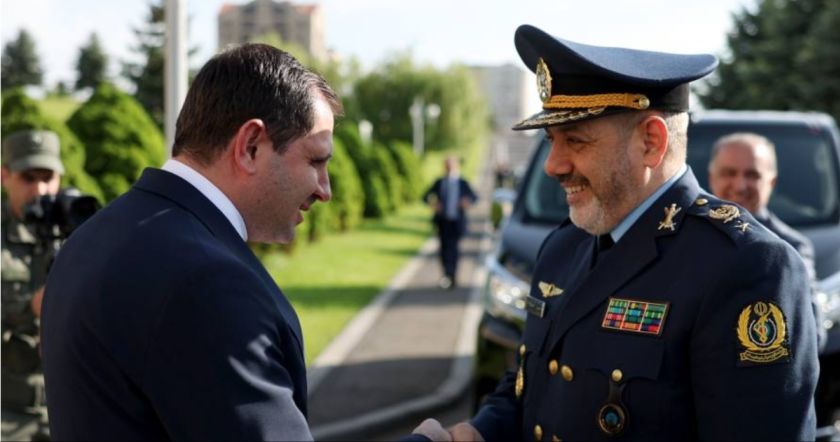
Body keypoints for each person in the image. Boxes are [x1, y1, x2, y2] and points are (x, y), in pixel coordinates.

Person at [412, 24, 818, 441]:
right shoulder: (563, 247)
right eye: (551, 140)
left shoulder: (747, 266)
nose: (553, 165)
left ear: (651, 142)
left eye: (575, 141)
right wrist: (477, 433)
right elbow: (529, 392)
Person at [40, 44, 342, 440]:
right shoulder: (209, 283)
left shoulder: (92, 236)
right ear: (250, 145)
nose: (325, 190)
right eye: (316, 161)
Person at [708, 132, 825, 350]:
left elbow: (811, 334)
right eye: (729, 173)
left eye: (752, 175)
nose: (740, 185)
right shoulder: (685, 235)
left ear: (771, 182)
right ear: (711, 178)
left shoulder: (791, 247)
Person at [1, 129, 65, 442]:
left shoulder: (78, 232)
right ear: (5, 176)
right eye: (28, 177)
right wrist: (30, 308)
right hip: (8, 415)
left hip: (70, 409)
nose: (40, 189)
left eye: (47, 177)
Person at [423, 155, 477, 289]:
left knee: (454, 249)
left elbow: (474, 197)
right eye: (447, 166)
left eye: (451, 165)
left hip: (457, 221)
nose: (449, 168)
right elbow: (425, 196)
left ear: (456, 166)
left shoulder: (462, 182)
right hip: (443, 221)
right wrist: (434, 204)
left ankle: (452, 275)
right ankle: (446, 274)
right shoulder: (439, 182)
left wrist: (466, 202)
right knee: (443, 249)